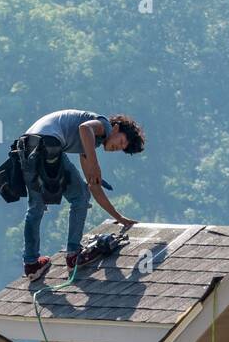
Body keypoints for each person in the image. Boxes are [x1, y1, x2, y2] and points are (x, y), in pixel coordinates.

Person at [21, 110, 144, 280]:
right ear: (115, 129)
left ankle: (31, 264)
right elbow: (84, 128)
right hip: (48, 144)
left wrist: (119, 217)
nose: (118, 148)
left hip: (27, 147)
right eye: (121, 141)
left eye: (122, 149)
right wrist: (94, 164)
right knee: (77, 197)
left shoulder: (88, 145)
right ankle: (74, 255)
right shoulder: (103, 125)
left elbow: (94, 187)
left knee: (37, 207)